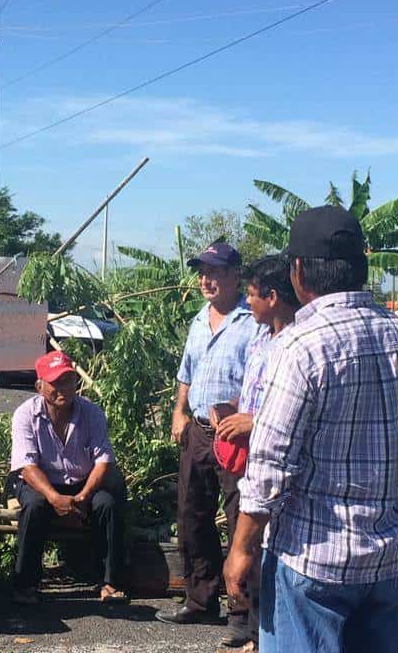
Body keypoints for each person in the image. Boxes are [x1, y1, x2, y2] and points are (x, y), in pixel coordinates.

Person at [224, 206, 398, 653]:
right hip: (388, 560)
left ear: (298, 271)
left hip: (312, 562)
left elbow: (270, 466)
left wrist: (242, 548)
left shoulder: (300, 347)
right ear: (360, 266)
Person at [157, 240, 260, 644]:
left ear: (236, 276)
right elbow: (187, 372)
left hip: (235, 434)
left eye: (214, 272)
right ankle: (200, 599)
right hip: (198, 430)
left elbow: (261, 378)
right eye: (202, 272)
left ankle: (242, 611)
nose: (206, 279)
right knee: (191, 513)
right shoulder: (200, 319)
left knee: (241, 519)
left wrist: (237, 408)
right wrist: (178, 411)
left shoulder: (252, 321)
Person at [210, 254, 300, 651]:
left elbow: (292, 413)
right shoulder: (261, 336)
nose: (248, 303)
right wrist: (233, 409)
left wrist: (254, 421)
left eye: (251, 295)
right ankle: (252, 632)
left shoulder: (297, 344)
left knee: (265, 549)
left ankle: (265, 636)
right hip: (248, 458)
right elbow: (254, 390)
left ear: (275, 296)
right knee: (245, 543)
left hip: (278, 466)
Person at [8, 351, 129, 606]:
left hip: (83, 483)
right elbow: (27, 467)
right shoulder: (25, 414)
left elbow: (103, 460)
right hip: (40, 482)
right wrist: (54, 497)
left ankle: (111, 582)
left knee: (107, 504)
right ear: (39, 386)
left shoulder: (92, 413)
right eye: (56, 382)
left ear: (76, 382)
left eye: (68, 380)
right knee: (34, 506)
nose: (63, 388)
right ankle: (25, 584)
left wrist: (83, 496)